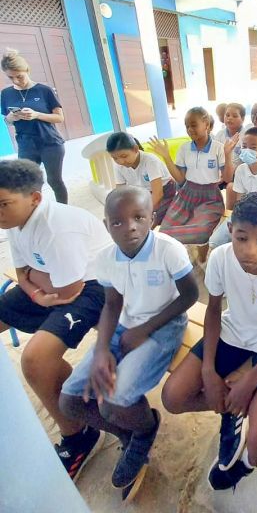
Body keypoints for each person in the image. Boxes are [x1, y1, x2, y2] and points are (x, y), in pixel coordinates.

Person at [161, 193, 257, 491]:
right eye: (241, 238)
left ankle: (242, 461)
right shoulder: (221, 257)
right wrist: (209, 370)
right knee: (173, 398)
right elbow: (214, 310)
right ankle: (231, 412)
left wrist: (249, 382)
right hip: (232, 332)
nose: (249, 250)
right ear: (230, 230)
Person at [59, 186, 198, 488]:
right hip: (124, 324)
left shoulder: (168, 249)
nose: (130, 227)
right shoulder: (105, 258)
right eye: (118, 222)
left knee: (114, 401)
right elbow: (112, 304)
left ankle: (145, 430)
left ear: (153, 218)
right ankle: (127, 433)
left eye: (138, 217)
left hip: (165, 325)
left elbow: (190, 295)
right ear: (106, 225)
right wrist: (101, 350)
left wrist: (145, 329)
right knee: (70, 400)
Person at [0, 159, 110, 478]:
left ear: (34, 198)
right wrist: (36, 293)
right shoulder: (16, 222)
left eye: (4, 204)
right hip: (52, 284)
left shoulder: (56, 227)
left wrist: (34, 280)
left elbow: (69, 290)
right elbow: (21, 272)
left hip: (95, 287)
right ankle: (66, 394)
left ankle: (78, 435)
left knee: (35, 359)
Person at [149, 107, 236, 261]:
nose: (190, 129)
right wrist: (166, 157)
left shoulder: (218, 148)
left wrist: (228, 155)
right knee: (164, 232)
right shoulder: (184, 148)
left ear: (206, 125)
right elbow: (180, 179)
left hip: (210, 198)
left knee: (201, 232)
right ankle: (179, 258)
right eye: (187, 126)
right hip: (186, 195)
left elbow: (228, 178)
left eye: (194, 125)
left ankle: (201, 258)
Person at [1, 49, 68, 203]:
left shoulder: (44, 90)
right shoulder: (5, 94)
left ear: (27, 70)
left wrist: (37, 115)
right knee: (29, 184)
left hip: (50, 143)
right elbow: (7, 121)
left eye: (19, 76)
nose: (16, 81)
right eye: (11, 77)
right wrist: (10, 118)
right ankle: (35, 211)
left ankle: (64, 210)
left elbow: (59, 118)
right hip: (26, 145)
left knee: (54, 181)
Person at [208, 127, 257, 251]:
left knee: (251, 247)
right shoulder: (241, 170)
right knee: (215, 242)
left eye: (253, 147)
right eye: (244, 146)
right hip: (244, 215)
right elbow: (240, 201)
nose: (247, 150)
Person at [106, 132, 176, 227]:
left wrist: (141, 214)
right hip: (142, 193)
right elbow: (120, 193)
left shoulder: (150, 161)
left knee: (148, 221)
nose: (120, 161)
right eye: (115, 158)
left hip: (164, 192)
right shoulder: (118, 166)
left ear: (135, 149)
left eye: (124, 156)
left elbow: (158, 194)